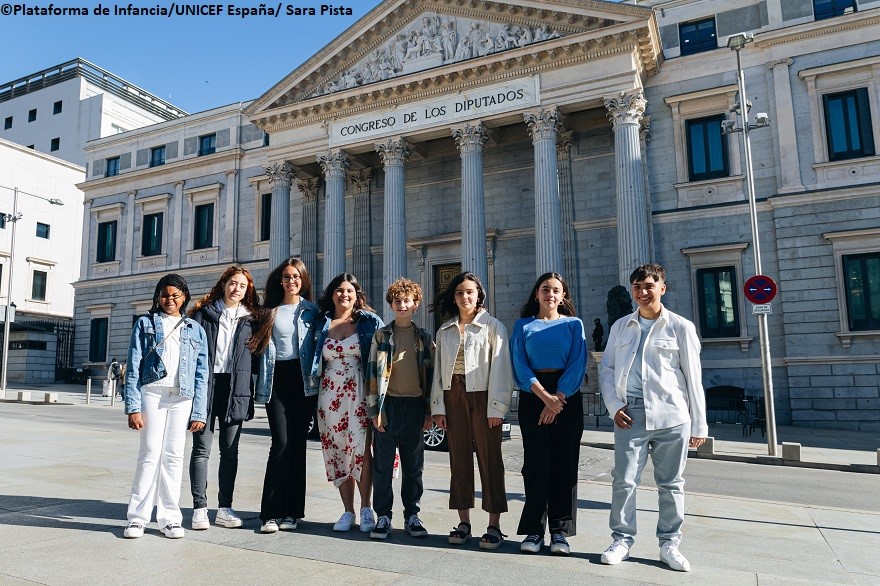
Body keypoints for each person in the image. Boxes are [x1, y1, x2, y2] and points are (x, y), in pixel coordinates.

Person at [599, 263, 708, 572]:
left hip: (672, 416)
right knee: (624, 480)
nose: (642, 292)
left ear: (662, 288)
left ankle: (670, 544)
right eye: (637, 286)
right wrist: (613, 406)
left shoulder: (680, 327)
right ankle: (621, 540)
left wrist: (699, 425)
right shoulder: (621, 326)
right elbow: (606, 369)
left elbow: (693, 378)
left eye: (648, 285)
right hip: (629, 414)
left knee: (671, 483)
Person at [429, 272, 514, 550]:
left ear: (479, 295)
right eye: (459, 293)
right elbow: (438, 375)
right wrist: (438, 407)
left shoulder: (493, 326)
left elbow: (501, 370)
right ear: (453, 297)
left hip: (483, 395)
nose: (465, 297)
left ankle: (494, 525)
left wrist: (497, 407)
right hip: (453, 396)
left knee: (491, 461)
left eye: (470, 292)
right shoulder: (445, 330)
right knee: (459, 460)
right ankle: (463, 521)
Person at [122, 274, 209, 539]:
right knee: (149, 453)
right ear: (157, 297)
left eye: (175, 295)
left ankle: (170, 518)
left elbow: (201, 374)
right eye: (164, 295)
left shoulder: (195, 329)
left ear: (184, 297)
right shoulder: (145, 323)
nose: (169, 300)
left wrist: (199, 411)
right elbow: (134, 363)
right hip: (153, 393)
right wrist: (133, 406)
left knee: (173, 456)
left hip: (182, 397)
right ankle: (137, 518)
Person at [510, 272, 586, 555]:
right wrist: (544, 397)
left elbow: (578, 362)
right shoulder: (523, 325)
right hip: (534, 396)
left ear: (563, 295)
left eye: (556, 290)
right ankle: (533, 529)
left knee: (564, 465)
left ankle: (559, 531)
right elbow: (519, 363)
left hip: (567, 396)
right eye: (545, 289)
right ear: (536, 294)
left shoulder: (573, 325)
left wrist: (559, 399)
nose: (550, 294)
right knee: (536, 465)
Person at [187, 266, 260, 531]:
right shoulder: (202, 314)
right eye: (232, 283)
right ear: (223, 284)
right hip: (205, 386)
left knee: (230, 452)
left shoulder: (252, 319)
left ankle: (225, 508)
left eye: (242, 285)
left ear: (247, 290)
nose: (236, 289)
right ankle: (199, 508)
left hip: (235, 387)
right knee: (201, 450)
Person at [251, 258, 321, 533]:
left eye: (296, 277)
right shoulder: (269, 311)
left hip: (303, 381)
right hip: (276, 379)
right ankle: (270, 512)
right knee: (280, 443)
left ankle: (292, 512)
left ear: (303, 280)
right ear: (280, 281)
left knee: (297, 446)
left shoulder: (311, 311)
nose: (291, 281)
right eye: (286, 277)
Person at [311, 273, 383, 533]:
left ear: (357, 294)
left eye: (350, 291)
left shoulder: (369, 321)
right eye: (340, 290)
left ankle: (366, 508)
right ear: (332, 294)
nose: (345, 295)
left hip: (360, 391)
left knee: (361, 451)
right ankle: (347, 511)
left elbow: (385, 356)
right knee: (337, 451)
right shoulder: (321, 323)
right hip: (329, 395)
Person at [366, 278, 434, 540]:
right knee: (383, 465)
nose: (402, 305)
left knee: (413, 467)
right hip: (388, 405)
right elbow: (372, 373)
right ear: (391, 305)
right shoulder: (382, 335)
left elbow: (430, 375)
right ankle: (383, 516)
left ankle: (412, 515)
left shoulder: (424, 337)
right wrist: (375, 411)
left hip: (414, 406)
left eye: (407, 301)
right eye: (397, 301)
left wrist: (428, 411)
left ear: (415, 304)